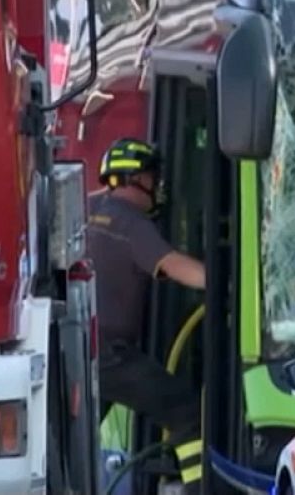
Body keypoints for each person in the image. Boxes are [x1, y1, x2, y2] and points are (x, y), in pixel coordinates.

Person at [88, 137, 207, 443]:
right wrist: (223, 282)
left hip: (78, 350)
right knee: (187, 411)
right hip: (111, 356)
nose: (158, 186)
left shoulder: (86, 208)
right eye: (154, 177)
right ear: (139, 179)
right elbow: (173, 265)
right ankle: (196, 487)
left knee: (74, 434)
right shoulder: (132, 224)